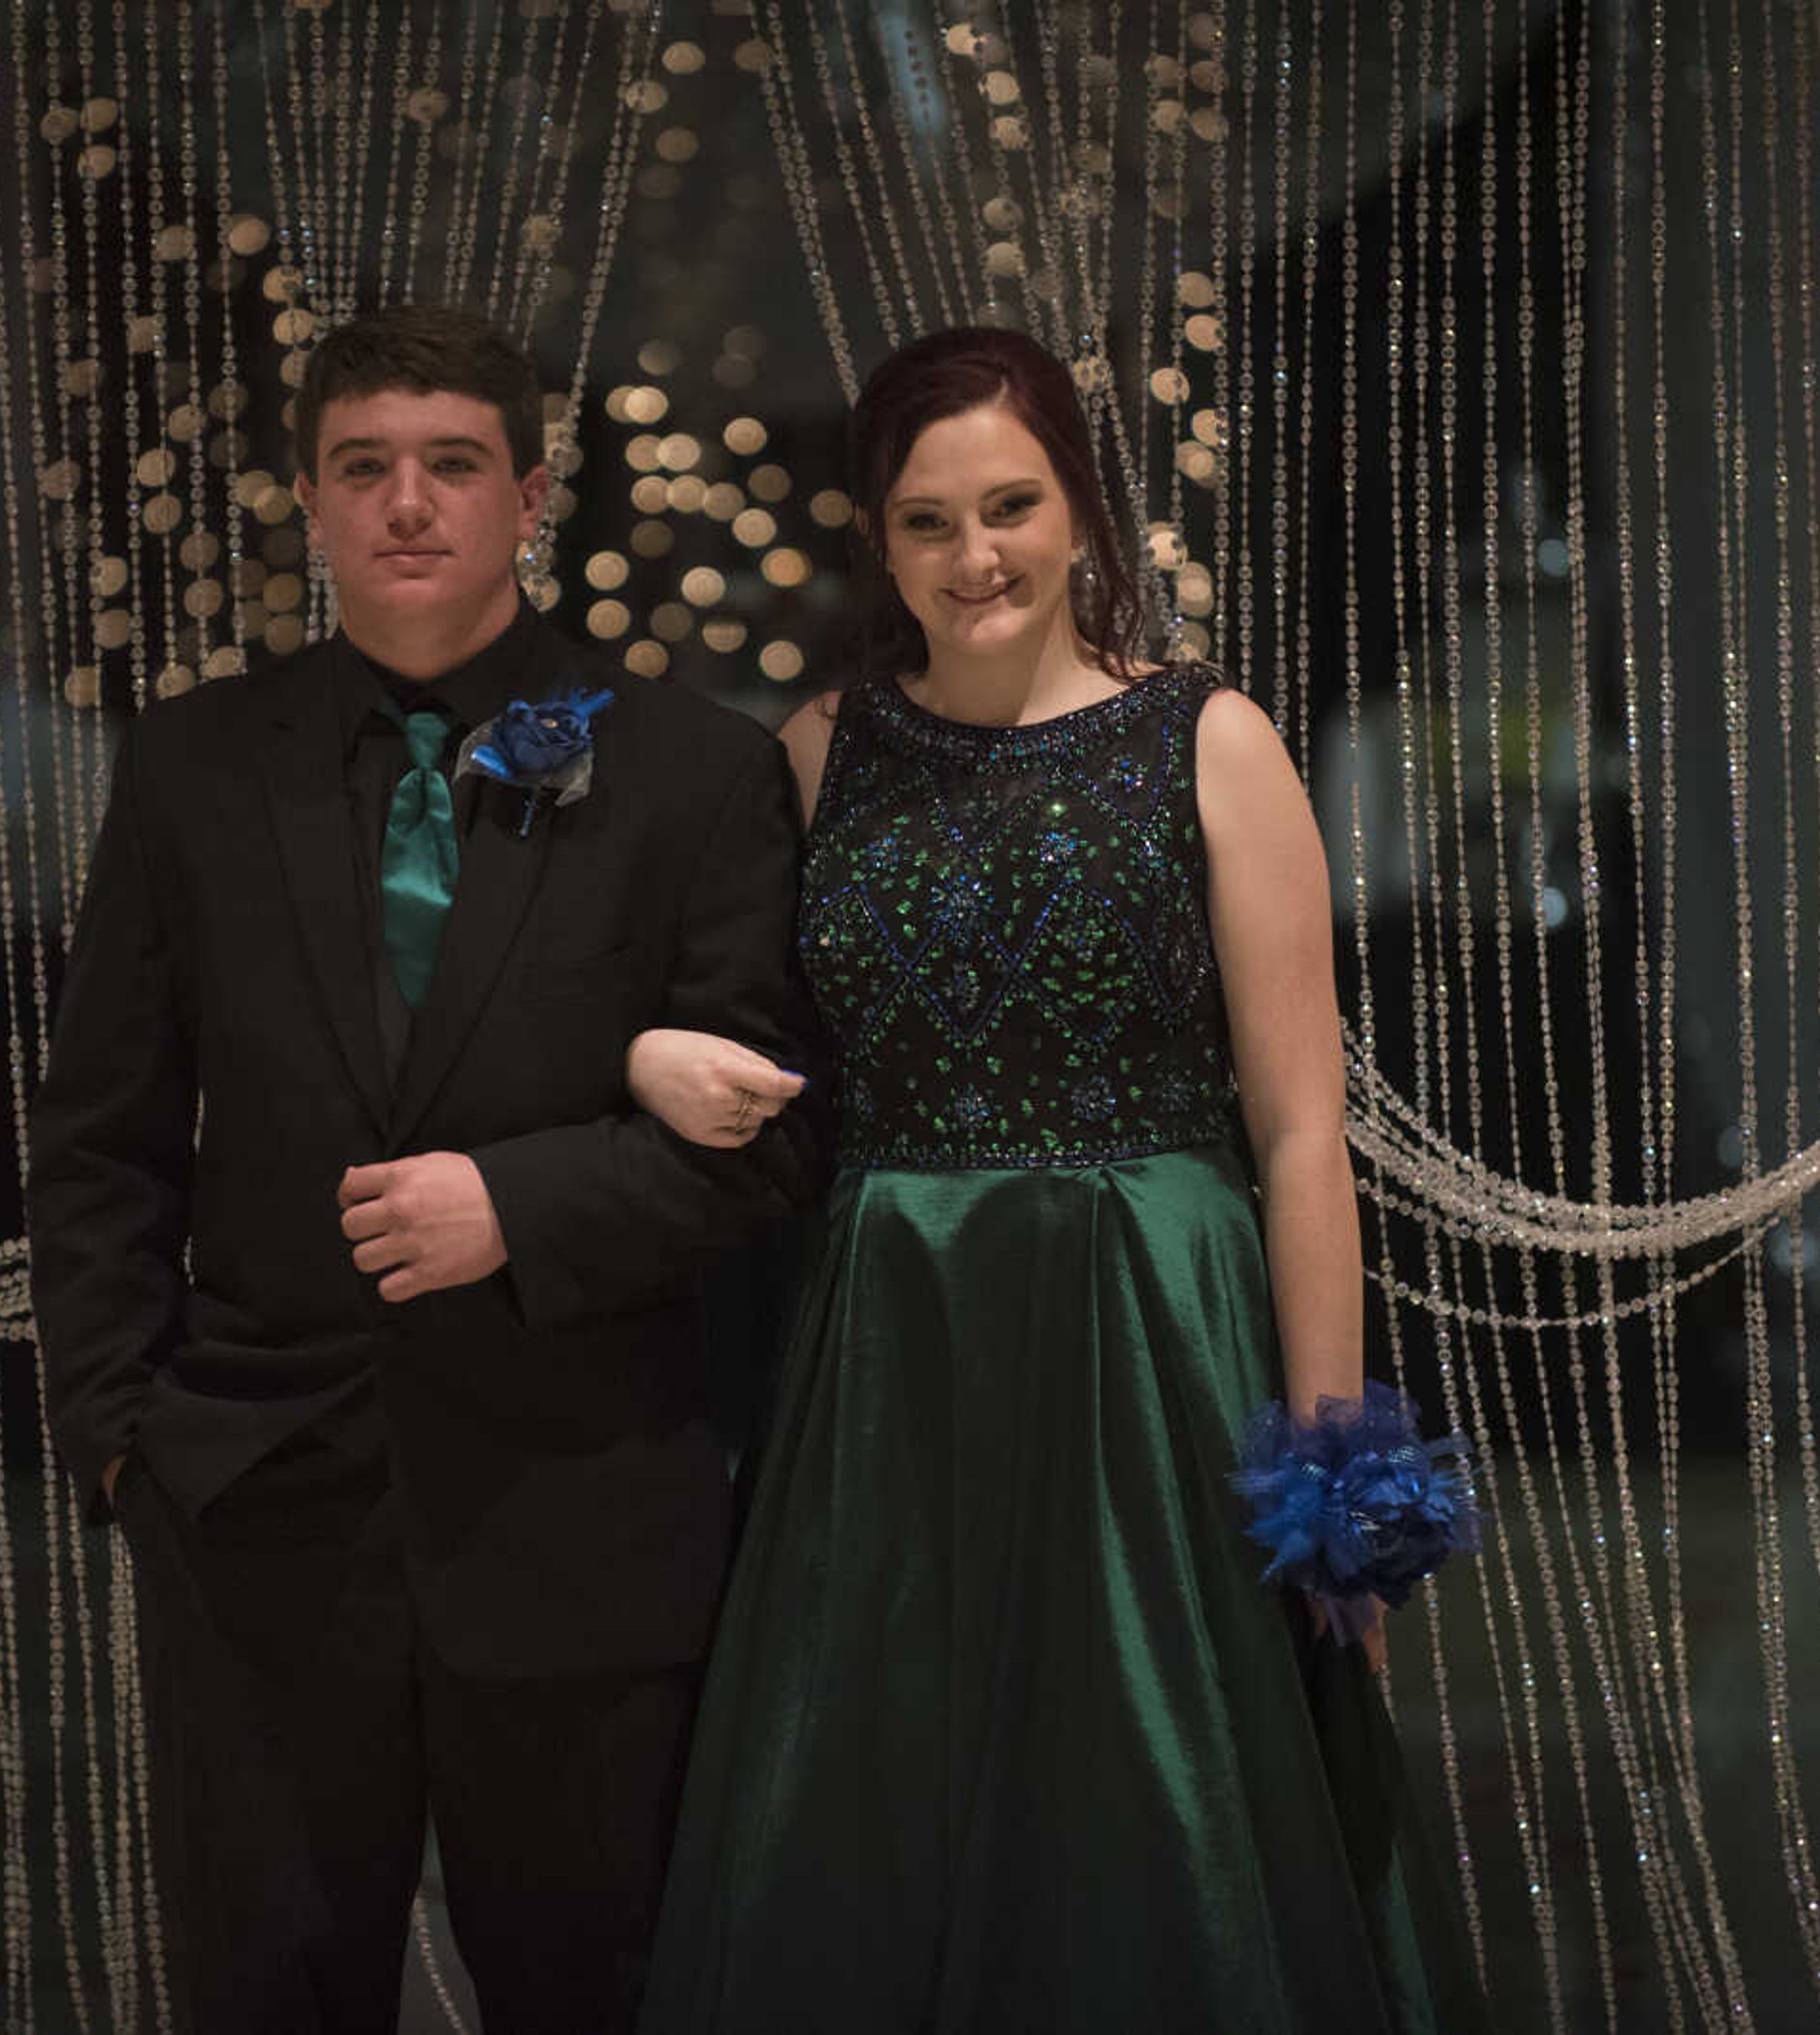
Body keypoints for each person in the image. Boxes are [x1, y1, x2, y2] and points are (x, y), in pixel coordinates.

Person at [627, 326, 1486, 2031]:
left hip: (1150, 1352)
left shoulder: (1210, 740)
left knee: (1158, 1808)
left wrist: (1334, 1483)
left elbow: (1304, 1135)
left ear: (1083, 507)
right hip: (896, 1358)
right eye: (931, 520)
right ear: (882, 540)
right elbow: (711, 1023)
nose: (979, 555)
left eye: (1011, 504)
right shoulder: (816, 756)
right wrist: (649, 1056)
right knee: (883, 1806)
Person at [27, 301, 818, 2035]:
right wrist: (118, 1442)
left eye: (452, 466)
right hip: (259, 1510)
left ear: (529, 497)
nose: (407, 504)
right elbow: (105, 1136)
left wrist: (514, 1208)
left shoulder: (695, 772)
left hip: (584, 1514)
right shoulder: (191, 769)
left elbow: (772, 1153)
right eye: (363, 468)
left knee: (589, 1993)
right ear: (307, 503)